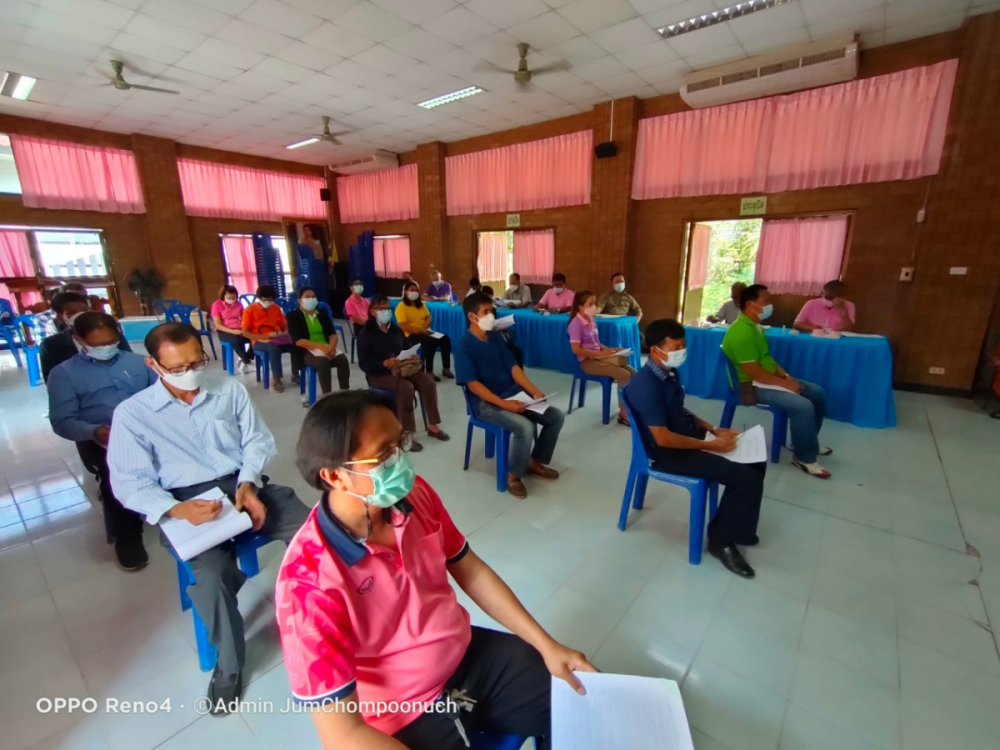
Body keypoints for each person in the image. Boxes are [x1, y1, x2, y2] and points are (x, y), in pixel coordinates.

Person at [276, 391, 595, 749]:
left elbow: (469, 569)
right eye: (384, 454)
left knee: (581, 703)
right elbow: (343, 735)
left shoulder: (414, 497)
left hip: (466, 655)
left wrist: (546, 645)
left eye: (400, 443)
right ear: (336, 476)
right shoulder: (306, 582)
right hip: (403, 708)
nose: (400, 460)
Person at [108, 323, 310, 714]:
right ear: (154, 365)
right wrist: (175, 509)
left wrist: (249, 483)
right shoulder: (133, 415)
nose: (191, 371)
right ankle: (230, 667)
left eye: (197, 361)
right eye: (178, 366)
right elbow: (129, 482)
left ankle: (324, 618)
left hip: (241, 484)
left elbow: (256, 440)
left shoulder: (228, 389)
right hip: (185, 500)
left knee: (313, 531)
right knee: (212, 577)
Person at [627, 319, 764, 578]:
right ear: (656, 349)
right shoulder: (647, 385)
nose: (682, 351)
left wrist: (713, 429)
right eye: (676, 346)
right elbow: (663, 438)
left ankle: (741, 530)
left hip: (689, 439)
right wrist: (710, 446)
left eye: (683, 345)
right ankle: (720, 541)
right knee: (745, 479)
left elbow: (679, 411)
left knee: (757, 460)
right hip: (669, 454)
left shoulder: (668, 373)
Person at [47, 312, 157, 571]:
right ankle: (129, 537)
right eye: (97, 345)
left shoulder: (141, 363)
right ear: (78, 339)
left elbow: (163, 398)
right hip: (103, 438)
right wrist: (95, 431)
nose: (106, 348)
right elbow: (62, 421)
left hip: (148, 431)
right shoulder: (64, 374)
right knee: (117, 476)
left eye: (110, 341)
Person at [456, 293, 563, 498]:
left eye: (492, 311)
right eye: (486, 312)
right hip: (486, 404)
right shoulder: (464, 345)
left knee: (555, 416)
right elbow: (473, 385)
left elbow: (513, 368)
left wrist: (533, 391)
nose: (491, 315)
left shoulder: (495, 337)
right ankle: (513, 475)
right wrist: (505, 405)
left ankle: (534, 461)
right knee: (525, 427)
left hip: (512, 394)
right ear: (472, 317)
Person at [723, 284, 831, 478]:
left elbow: (767, 358)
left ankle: (806, 441)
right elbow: (753, 371)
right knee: (802, 405)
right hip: (750, 386)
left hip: (766, 378)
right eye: (766, 301)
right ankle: (804, 457)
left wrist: (786, 375)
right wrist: (785, 384)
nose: (770, 305)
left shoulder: (755, 326)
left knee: (818, 393)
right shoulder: (741, 332)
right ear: (750, 304)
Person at [357, 294, 449, 451]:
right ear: (373, 311)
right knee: (406, 388)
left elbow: (405, 347)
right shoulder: (366, 334)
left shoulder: (395, 330)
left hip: (402, 369)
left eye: (387, 308)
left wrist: (411, 354)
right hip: (379, 375)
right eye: (381, 309)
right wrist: (383, 363)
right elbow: (364, 364)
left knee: (428, 382)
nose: (385, 311)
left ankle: (433, 426)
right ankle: (407, 434)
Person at [568, 290, 636, 426]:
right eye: (590, 303)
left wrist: (612, 350)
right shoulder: (575, 324)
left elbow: (596, 344)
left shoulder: (591, 321)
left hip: (599, 358)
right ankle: (623, 413)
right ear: (581, 307)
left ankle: (632, 408)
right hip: (588, 363)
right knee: (623, 375)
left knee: (633, 373)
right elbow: (576, 349)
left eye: (595, 303)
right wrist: (599, 354)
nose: (594, 306)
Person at [40, 291, 132, 383]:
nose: (80, 315)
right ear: (60, 317)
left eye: (84, 310)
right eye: (71, 313)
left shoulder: (112, 335)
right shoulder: (51, 345)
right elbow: (52, 380)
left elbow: (129, 361)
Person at [287, 286, 351, 405]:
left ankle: (344, 392)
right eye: (307, 297)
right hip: (305, 350)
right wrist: (321, 348)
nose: (311, 299)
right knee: (323, 363)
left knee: (342, 359)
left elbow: (332, 334)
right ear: (300, 300)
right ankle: (327, 397)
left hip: (326, 347)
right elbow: (299, 341)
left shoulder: (322, 313)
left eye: (313, 297)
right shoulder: (293, 316)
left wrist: (331, 347)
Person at [395, 281, 454, 381]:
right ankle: (428, 371)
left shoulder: (421, 304)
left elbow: (429, 317)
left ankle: (446, 368)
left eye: (416, 290)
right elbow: (403, 326)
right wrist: (419, 331)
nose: (415, 292)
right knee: (431, 341)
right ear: (406, 292)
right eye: (412, 290)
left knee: (445, 339)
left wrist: (424, 329)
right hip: (411, 334)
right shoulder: (401, 306)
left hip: (425, 331)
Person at [241, 285, 292, 393]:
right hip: (259, 341)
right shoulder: (249, 310)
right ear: (259, 298)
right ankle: (277, 380)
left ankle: (296, 374)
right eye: (265, 300)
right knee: (274, 350)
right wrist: (261, 337)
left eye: (270, 300)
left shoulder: (276, 308)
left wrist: (284, 333)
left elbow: (284, 325)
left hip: (277, 338)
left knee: (296, 345)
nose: (268, 302)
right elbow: (245, 332)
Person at [211, 285, 254, 374]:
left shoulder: (238, 303)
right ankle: (248, 362)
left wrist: (245, 329)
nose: (232, 299)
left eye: (234, 297)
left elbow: (243, 319)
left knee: (255, 338)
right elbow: (218, 325)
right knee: (236, 341)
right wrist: (234, 331)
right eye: (229, 297)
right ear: (223, 296)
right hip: (224, 331)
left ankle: (244, 361)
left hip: (238, 328)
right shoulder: (216, 305)